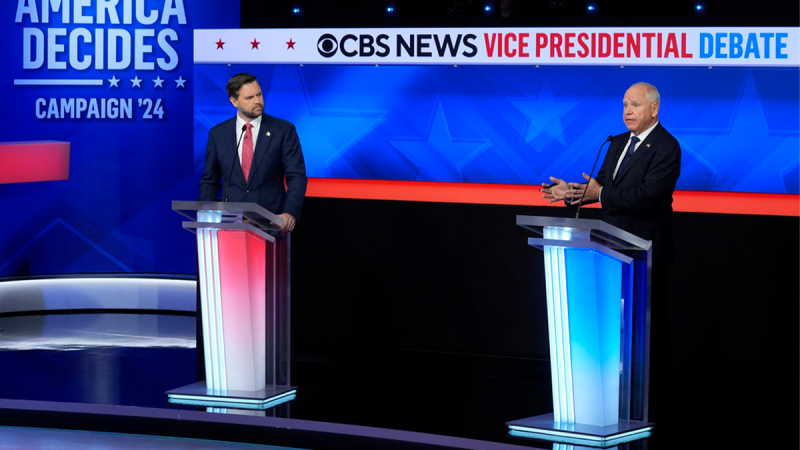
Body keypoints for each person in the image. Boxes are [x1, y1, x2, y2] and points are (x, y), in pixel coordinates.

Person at [541, 81, 681, 424]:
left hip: (645, 251)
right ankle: (613, 393)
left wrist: (600, 194)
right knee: (613, 326)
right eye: (624, 105)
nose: (627, 111)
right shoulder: (616, 143)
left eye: (635, 105)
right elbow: (601, 187)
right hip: (609, 247)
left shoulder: (667, 147)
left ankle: (650, 400)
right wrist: (572, 193)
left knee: (646, 329)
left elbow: (645, 197)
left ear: (654, 109)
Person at [199, 72, 307, 231]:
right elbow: (210, 180)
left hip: (273, 223)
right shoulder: (218, 134)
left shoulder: (283, 130)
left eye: (259, 95)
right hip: (231, 225)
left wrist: (289, 213)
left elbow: (296, 176)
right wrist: (205, 213)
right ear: (234, 102)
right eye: (249, 98)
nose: (257, 101)